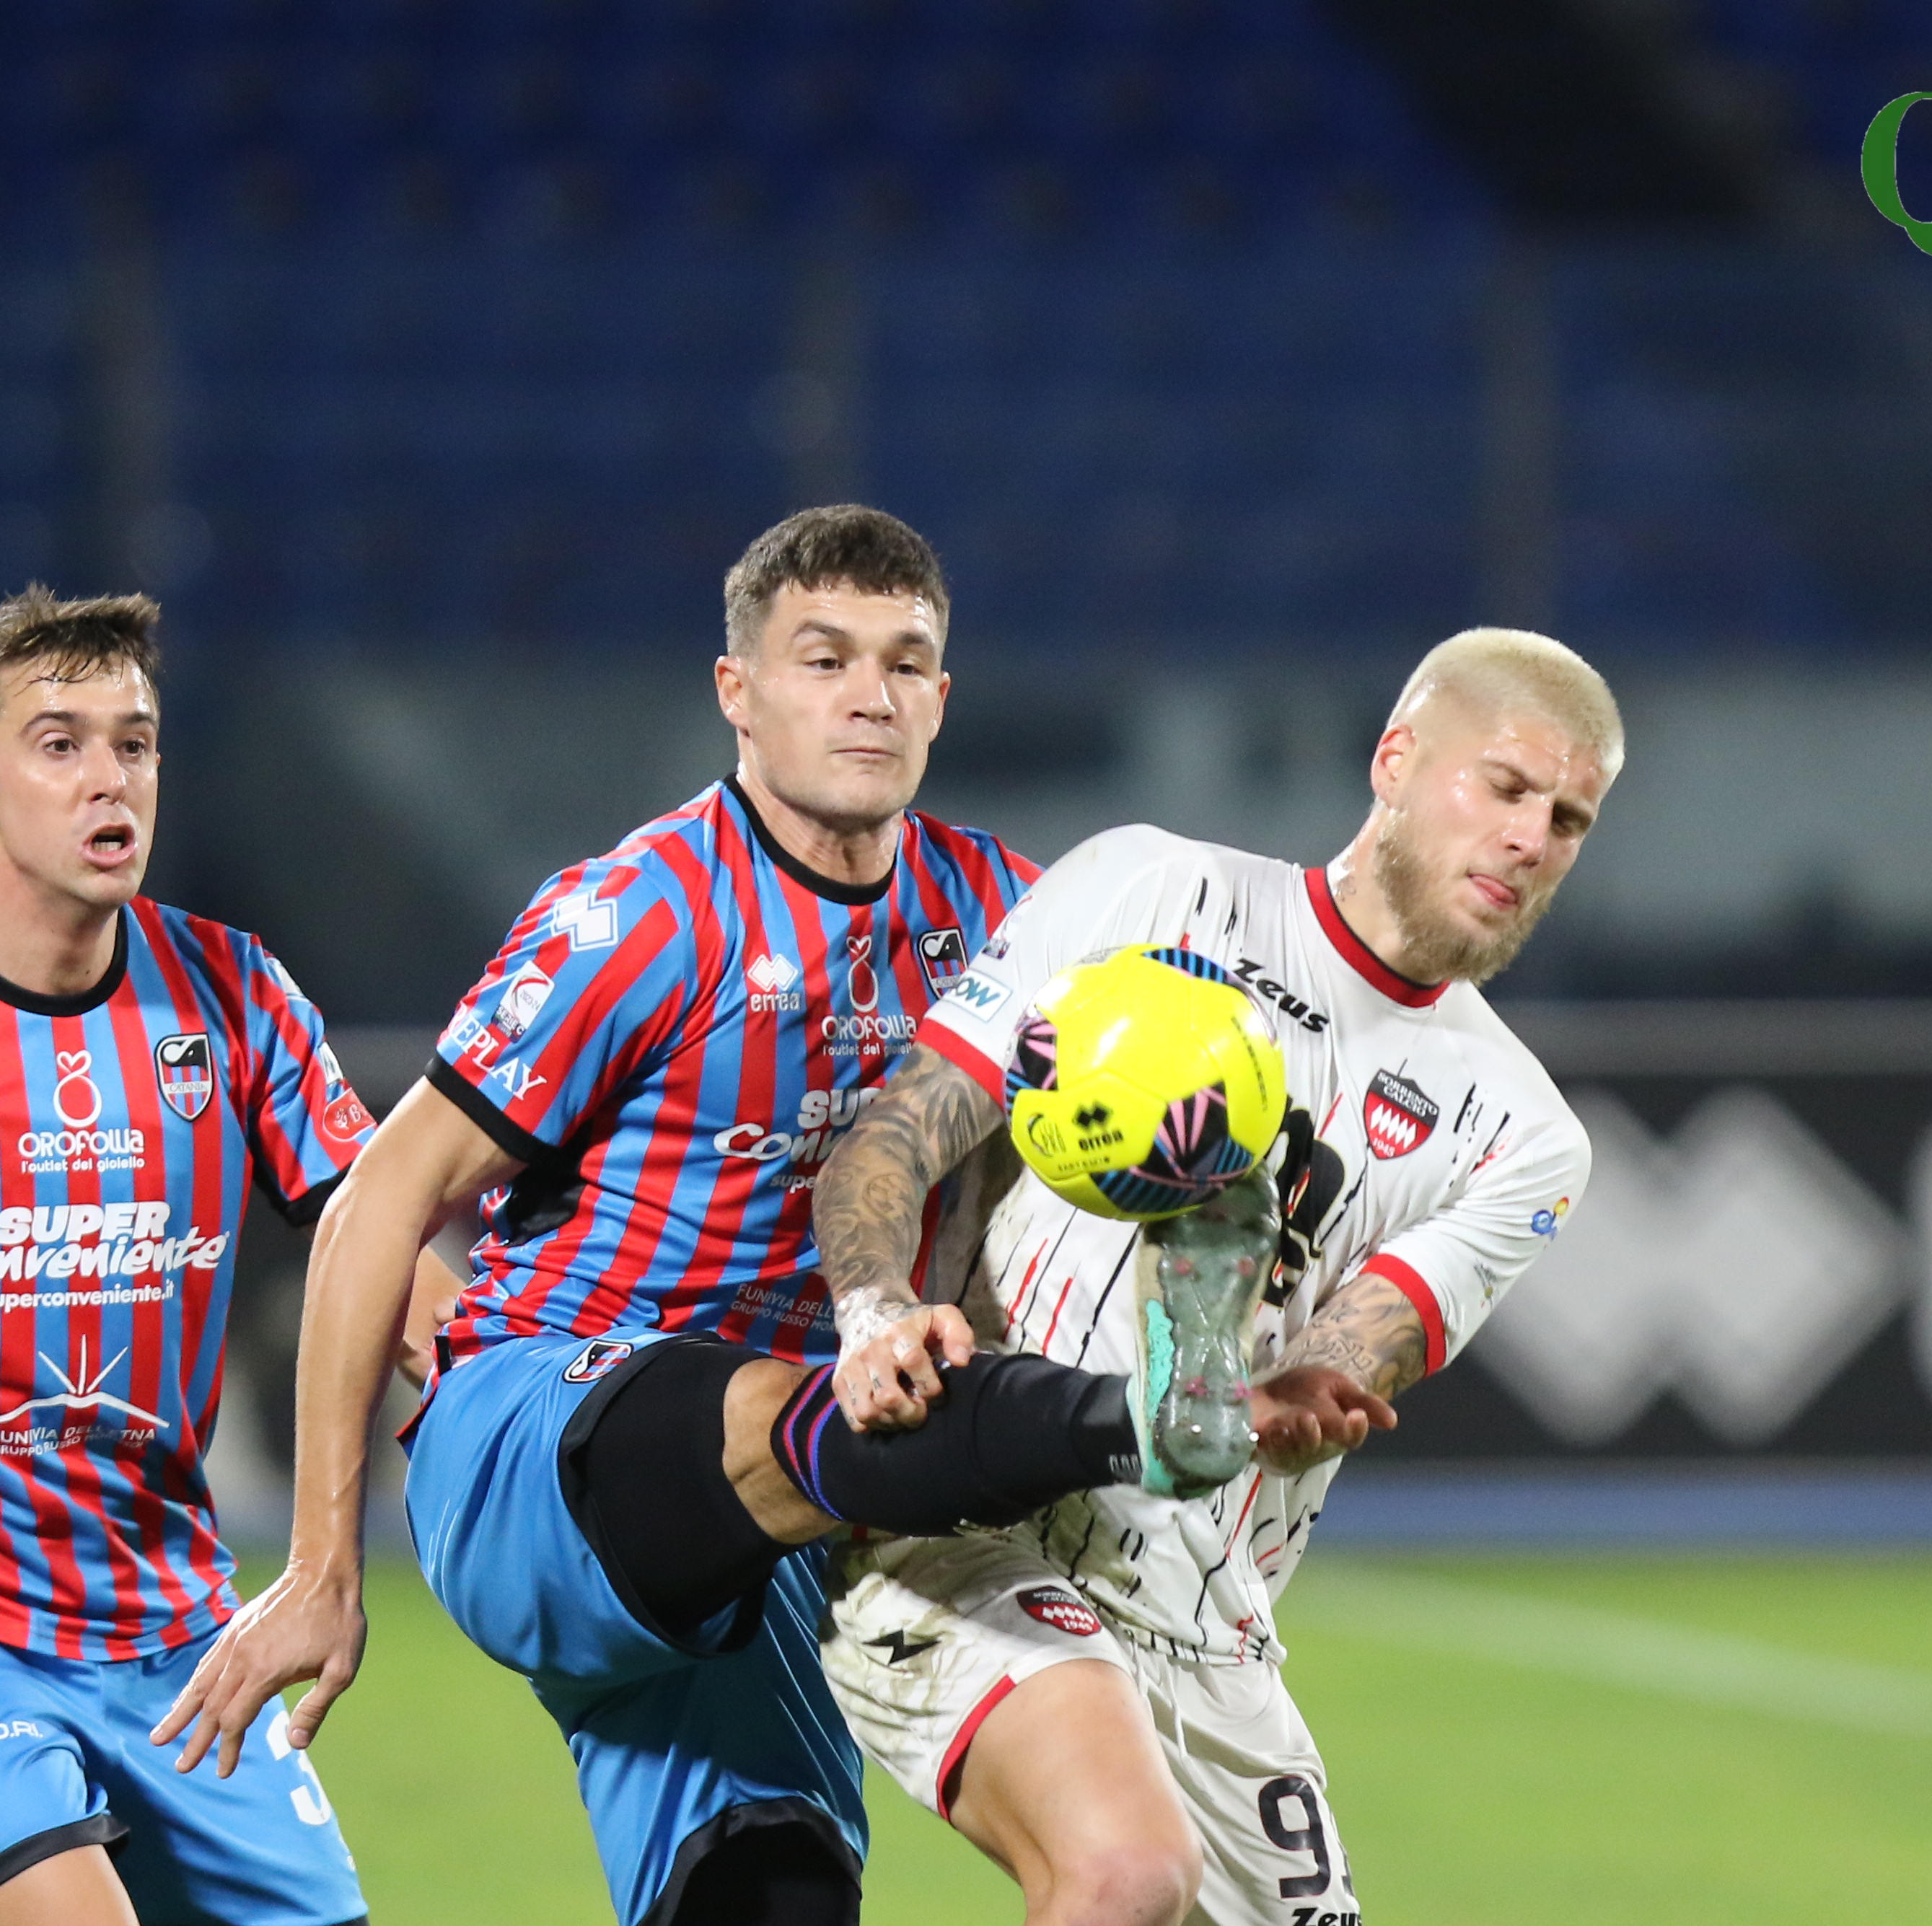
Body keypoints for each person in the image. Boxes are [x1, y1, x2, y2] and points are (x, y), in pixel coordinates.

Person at [149, 507, 1295, 1926]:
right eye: (823, 658)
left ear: (943, 697)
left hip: (782, 1526)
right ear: (736, 693)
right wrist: (323, 1566)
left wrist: (1202, 1245)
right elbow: (375, 1201)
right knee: (785, 1400)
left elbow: (1209, 1133)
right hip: (543, 1457)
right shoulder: (640, 914)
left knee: (871, 1892)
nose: (868, 693)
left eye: (904, 661)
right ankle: (1143, 1424)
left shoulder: (1009, 923)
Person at [809, 627, 1618, 1926]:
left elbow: (1348, 1362)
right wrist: (875, 1313)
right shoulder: (1146, 891)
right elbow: (896, 1139)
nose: (1534, 839)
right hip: (969, 1523)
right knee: (1123, 1876)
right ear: (1397, 759)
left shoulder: (1525, 1135)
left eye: (1571, 818)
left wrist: (1293, 1399)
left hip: (1201, 1616)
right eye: (1507, 788)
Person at [0, 585, 450, 1926]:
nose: (108, 778)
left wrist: (540, 1402)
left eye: (132, 742)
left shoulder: (231, 992)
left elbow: (385, 1245)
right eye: (57, 741)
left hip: (183, 1633)